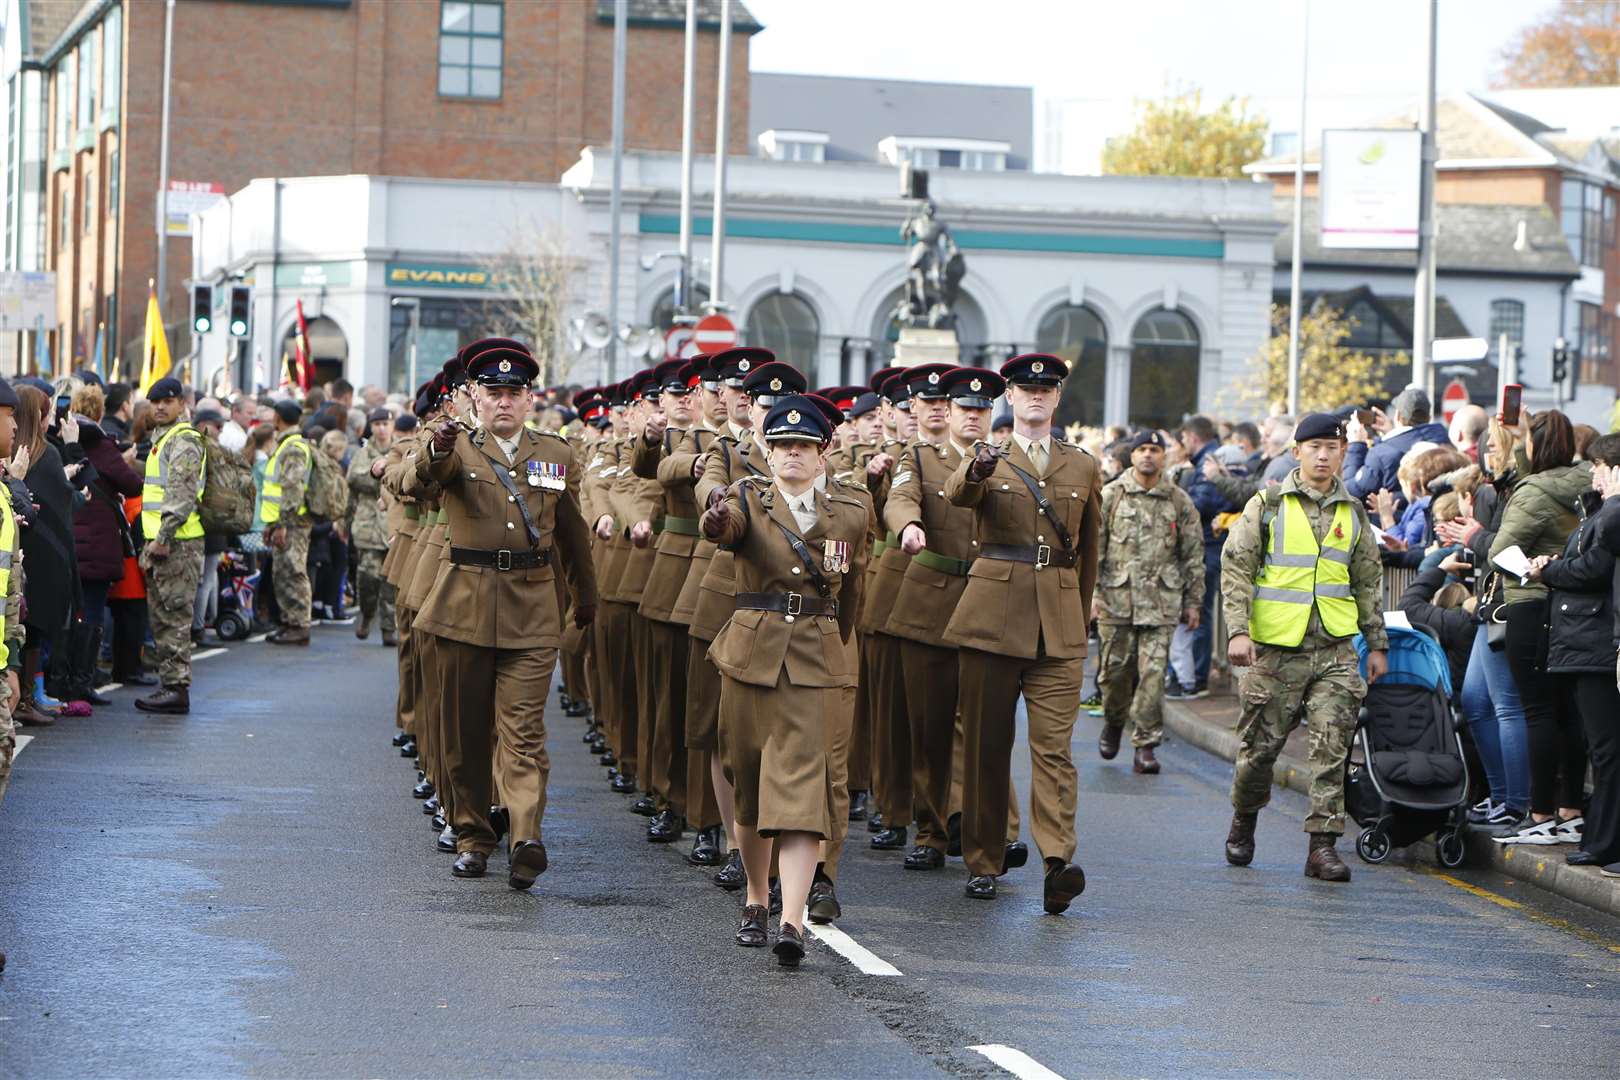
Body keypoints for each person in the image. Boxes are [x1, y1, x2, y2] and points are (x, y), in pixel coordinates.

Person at [410, 339, 597, 888]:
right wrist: (438, 446)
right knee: (465, 734)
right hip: (462, 604)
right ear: (475, 396)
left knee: (523, 731)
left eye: (514, 392)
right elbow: (422, 480)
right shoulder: (452, 445)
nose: (504, 403)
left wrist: (587, 596)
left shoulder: (555, 452)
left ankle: (525, 834)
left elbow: (571, 530)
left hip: (532, 604)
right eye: (494, 393)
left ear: (529, 397)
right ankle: (472, 835)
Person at [699, 393, 870, 966]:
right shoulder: (748, 498)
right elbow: (725, 529)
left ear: (823, 453)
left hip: (816, 658)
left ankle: (792, 919)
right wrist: (716, 520)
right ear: (768, 453)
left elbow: (856, 589)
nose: (791, 455)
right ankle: (755, 897)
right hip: (753, 655)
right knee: (748, 782)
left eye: (802, 447)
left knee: (802, 790)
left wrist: (841, 651)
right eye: (780, 447)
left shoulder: (852, 508)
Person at [946, 353, 1099, 914]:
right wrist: (975, 470)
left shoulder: (1081, 465)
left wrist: (1079, 620)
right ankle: (984, 859)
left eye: (1047, 389)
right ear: (1009, 396)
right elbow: (959, 496)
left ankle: (1058, 860)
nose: (1036, 397)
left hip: (1056, 623)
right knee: (988, 746)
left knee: (1055, 749)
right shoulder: (989, 457)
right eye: (1025, 389)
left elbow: (1089, 553)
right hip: (992, 616)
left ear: (1058, 398)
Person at [1220, 412, 1389, 882]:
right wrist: (1238, 631)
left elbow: (1368, 582)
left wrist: (1376, 644)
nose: (1322, 455)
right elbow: (1236, 568)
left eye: (1332, 447)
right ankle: (1245, 815)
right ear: (1296, 452)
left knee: (1332, 745)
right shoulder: (1268, 503)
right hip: (1275, 651)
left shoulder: (1353, 513)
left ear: (1342, 453)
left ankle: (1322, 846)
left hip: (1334, 648)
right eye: (1313, 446)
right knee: (1259, 751)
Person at [883, 365, 1003, 868]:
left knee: (982, 723)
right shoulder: (918, 456)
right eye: (963, 409)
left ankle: (979, 825)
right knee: (930, 725)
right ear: (948, 412)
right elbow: (900, 498)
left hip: (990, 600)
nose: (972, 416)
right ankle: (932, 831)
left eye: (981, 410)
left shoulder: (1008, 460)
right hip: (929, 600)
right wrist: (909, 527)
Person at [1490, 409, 1590, 847]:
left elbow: (1499, 551)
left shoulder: (1532, 495)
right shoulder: (1585, 481)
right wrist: (1520, 439)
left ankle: (1539, 814)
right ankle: (1570, 810)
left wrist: (1527, 573)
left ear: (1536, 445)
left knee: (1536, 711)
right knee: (1568, 712)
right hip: (1573, 608)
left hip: (1531, 606)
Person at [1094, 430, 1204, 773]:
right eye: (1142, 449)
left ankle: (1146, 744)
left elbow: (1192, 554)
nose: (1148, 456)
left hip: (1161, 602)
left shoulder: (1178, 500)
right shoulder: (1111, 495)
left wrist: (1194, 602)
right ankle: (1114, 721)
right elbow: (1094, 548)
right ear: (1132, 455)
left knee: (1154, 675)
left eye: (1155, 450)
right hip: (1116, 600)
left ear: (1164, 456)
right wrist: (1092, 595)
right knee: (1114, 675)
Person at [1536, 432, 1620, 869]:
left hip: (1597, 645)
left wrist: (1551, 573)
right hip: (1588, 644)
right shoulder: (1601, 512)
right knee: (1602, 749)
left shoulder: (1611, 513)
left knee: (1607, 750)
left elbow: (1595, 566)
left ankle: (1605, 840)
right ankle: (1601, 838)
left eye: (1600, 468)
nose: (1593, 475)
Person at [132, 377, 207, 715]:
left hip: (178, 543)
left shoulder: (184, 440)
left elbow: (181, 493)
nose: (160, 406)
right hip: (163, 541)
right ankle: (169, 685)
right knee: (162, 616)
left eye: (168, 400)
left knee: (174, 616)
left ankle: (176, 688)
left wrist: (163, 538)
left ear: (181, 404)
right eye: (155, 401)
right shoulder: (163, 438)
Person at [67, 383, 142, 703]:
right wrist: (124, 458)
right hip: (98, 543)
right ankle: (83, 680)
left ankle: (67, 677)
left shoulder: (62, 441)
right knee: (93, 612)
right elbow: (132, 484)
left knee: (71, 614)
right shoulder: (101, 445)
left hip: (70, 541)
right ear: (99, 412)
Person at [1176, 414, 1233, 699]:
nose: (1182, 443)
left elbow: (1201, 503)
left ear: (1193, 437)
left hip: (1208, 546)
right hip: (1207, 545)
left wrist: (1177, 500)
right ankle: (1194, 675)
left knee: (1199, 610)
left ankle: (1197, 677)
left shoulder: (1209, 463)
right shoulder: (1207, 460)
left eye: (1183, 438)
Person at [261, 399, 315, 645]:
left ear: (277, 418)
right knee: (282, 573)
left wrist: (282, 523)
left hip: (293, 522)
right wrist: (272, 524)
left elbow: (291, 490)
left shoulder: (292, 447)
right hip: (284, 521)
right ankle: (289, 622)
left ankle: (300, 625)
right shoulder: (286, 445)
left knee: (293, 572)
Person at [1343, 387, 1450, 503]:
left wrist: (1356, 445)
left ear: (1398, 416)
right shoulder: (1446, 445)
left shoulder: (1380, 454)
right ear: (1429, 418)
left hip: (1392, 519)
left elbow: (1352, 492)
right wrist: (1390, 436)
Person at [347, 407, 397, 645]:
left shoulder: (400, 450)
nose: (381, 428)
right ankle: (367, 613)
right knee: (367, 576)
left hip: (394, 524)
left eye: (385, 423)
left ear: (392, 425)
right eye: (376, 424)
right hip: (368, 522)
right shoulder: (362, 454)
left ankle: (389, 627)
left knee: (391, 580)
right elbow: (353, 480)